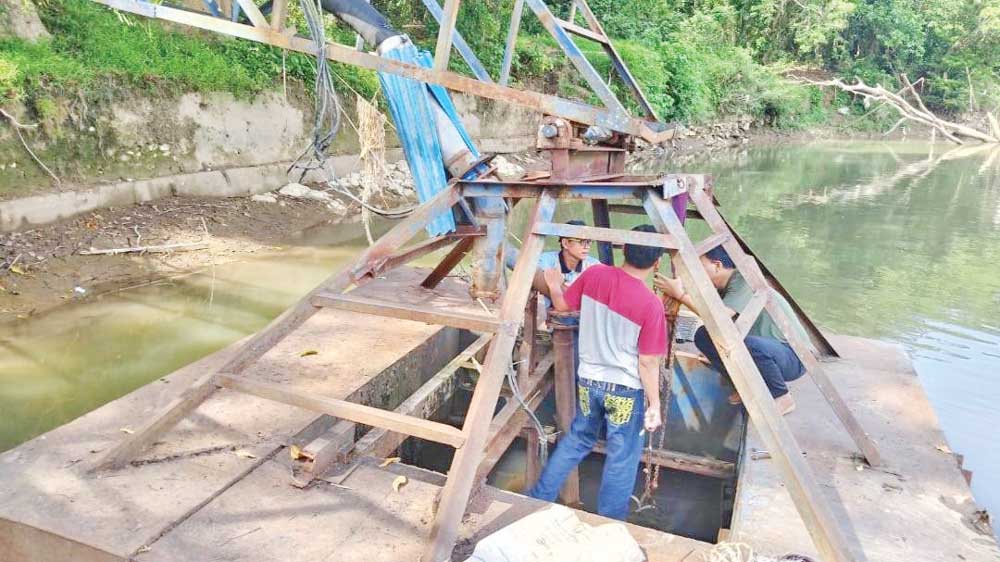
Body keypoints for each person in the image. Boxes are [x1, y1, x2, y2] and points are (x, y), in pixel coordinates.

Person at [527, 225, 667, 520]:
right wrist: (654, 404)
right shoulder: (651, 304)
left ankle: (537, 500)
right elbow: (648, 362)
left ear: (624, 250)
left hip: (589, 380)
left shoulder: (594, 274)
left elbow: (564, 306)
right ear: (657, 263)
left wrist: (553, 285)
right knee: (622, 457)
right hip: (625, 390)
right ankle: (609, 524)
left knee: (577, 439)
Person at [653, 246, 810, 415]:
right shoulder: (721, 286)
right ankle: (745, 386)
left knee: (750, 345)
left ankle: (781, 396)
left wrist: (680, 295)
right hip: (767, 349)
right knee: (702, 335)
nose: (695, 272)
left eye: (699, 266)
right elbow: (706, 309)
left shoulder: (744, 280)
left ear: (717, 265)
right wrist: (679, 288)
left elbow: (722, 317)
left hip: (793, 356)